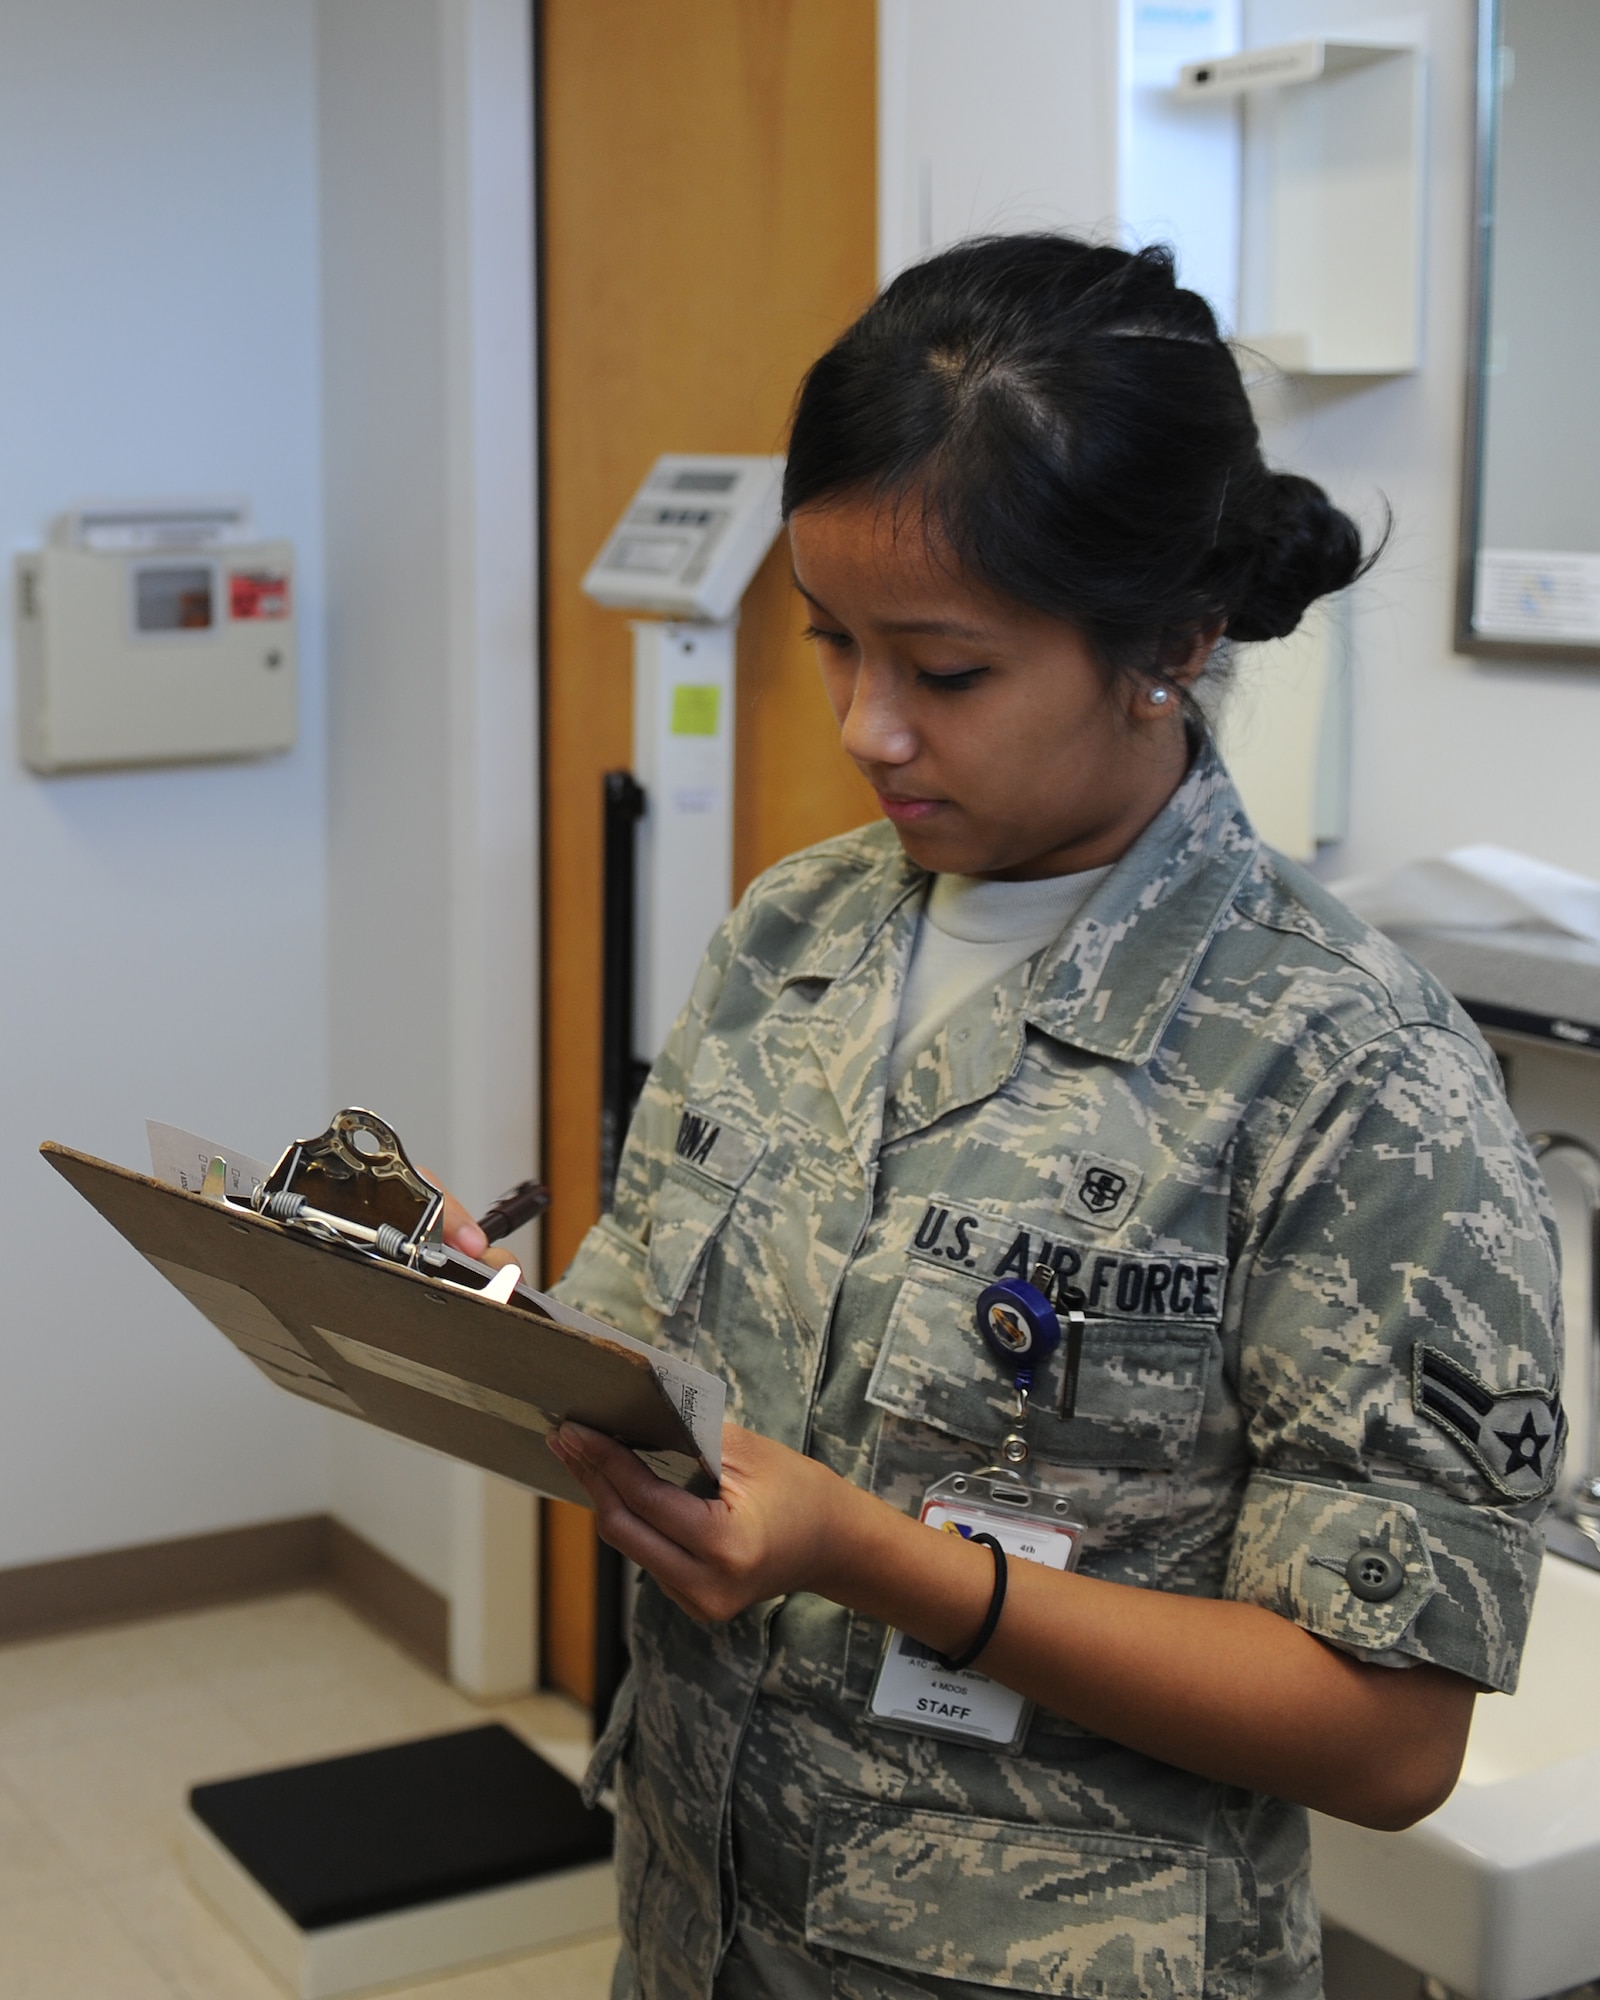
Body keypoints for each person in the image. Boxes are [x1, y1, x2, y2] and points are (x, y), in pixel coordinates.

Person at [450, 236, 1563, 2000]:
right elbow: (656, 1358)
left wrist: (885, 1563)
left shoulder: (1346, 1072)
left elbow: (1389, 1738)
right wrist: (477, 1327)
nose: (864, 729)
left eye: (945, 672)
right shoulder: (797, 931)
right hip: (701, 1923)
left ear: (1172, 645)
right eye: (831, 645)